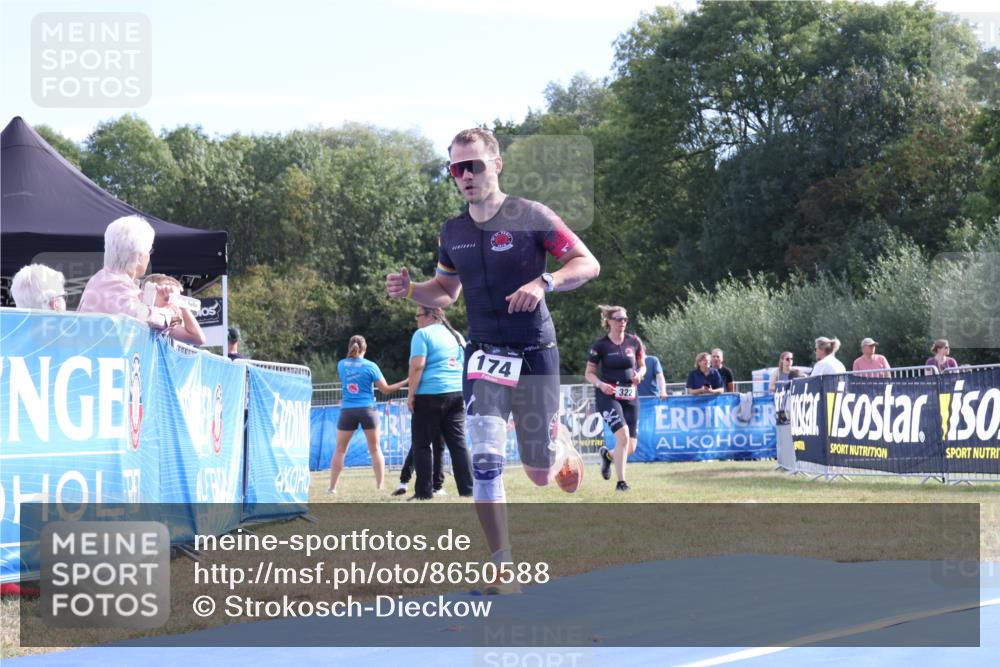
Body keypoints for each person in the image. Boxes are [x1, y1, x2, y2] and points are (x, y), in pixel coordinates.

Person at [385, 127, 600, 588]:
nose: (464, 176)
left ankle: (557, 446)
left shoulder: (531, 215)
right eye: (456, 168)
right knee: (484, 460)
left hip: (534, 351)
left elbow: (587, 263)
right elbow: (445, 291)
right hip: (483, 354)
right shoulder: (453, 230)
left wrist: (545, 283)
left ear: (496, 165)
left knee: (539, 474)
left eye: (474, 165)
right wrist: (411, 292)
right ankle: (502, 567)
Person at [400, 306, 473, 500]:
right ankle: (468, 489)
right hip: (456, 393)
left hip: (429, 394)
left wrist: (411, 394)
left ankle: (424, 492)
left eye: (418, 316)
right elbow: (464, 364)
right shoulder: (456, 334)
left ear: (429, 316)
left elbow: (417, 366)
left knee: (422, 444)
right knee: (458, 444)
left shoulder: (422, 334)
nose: (416, 320)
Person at [327, 335, 408, 493]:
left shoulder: (341, 365)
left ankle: (332, 488)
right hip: (368, 410)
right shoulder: (371, 366)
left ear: (349, 346)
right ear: (365, 348)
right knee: (375, 449)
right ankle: (380, 487)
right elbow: (386, 390)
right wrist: (407, 381)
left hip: (348, 410)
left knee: (340, 449)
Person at [77, 215, 180, 329]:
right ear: (139, 256)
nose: (149, 256)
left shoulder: (103, 279)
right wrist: (169, 312)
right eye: (149, 251)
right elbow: (142, 316)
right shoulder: (116, 284)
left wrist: (160, 305)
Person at [584, 305, 644, 492]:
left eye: (625, 319)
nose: (622, 322)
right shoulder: (600, 345)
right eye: (618, 319)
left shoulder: (634, 342)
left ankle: (608, 456)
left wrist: (640, 375)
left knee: (631, 447)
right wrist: (601, 385)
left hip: (630, 395)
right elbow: (589, 373)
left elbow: (643, 366)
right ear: (609, 321)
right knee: (623, 436)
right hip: (608, 395)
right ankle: (621, 483)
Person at [142, 274, 207, 345]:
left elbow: (198, 339)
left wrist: (182, 304)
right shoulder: (140, 307)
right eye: (167, 285)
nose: (174, 306)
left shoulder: (171, 319)